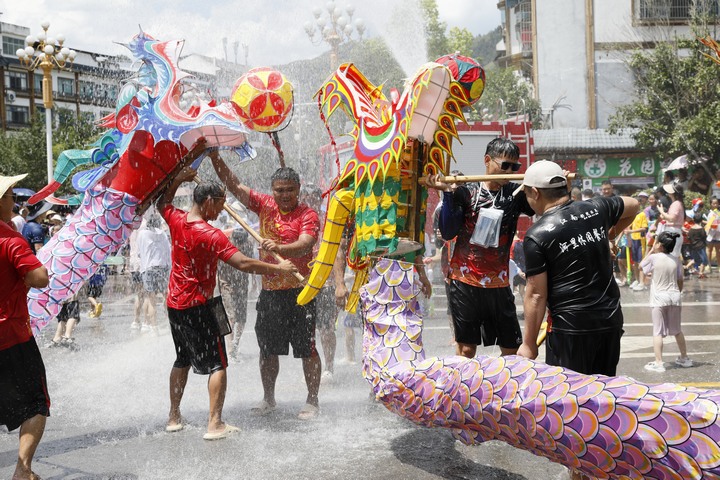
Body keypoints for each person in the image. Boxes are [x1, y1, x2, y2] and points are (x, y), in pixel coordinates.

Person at [157, 166, 297, 439]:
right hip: (200, 305)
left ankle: (173, 416)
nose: (221, 211)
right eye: (219, 205)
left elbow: (162, 202)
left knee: (182, 359)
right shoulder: (210, 234)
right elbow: (243, 263)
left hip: (175, 303)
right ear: (208, 201)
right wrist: (281, 269)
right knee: (218, 364)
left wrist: (177, 179)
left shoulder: (176, 219)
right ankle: (215, 424)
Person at [210, 152, 323, 420]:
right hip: (271, 293)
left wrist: (279, 247)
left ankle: (312, 400)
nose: (285, 195)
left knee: (307, 349)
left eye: (290, 190)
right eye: (279, 190)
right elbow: (234, 185)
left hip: (301, 292)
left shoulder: (307, 214)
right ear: (272, 191)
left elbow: (306, 243)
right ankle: (268, 398)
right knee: (267, 350)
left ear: (299, 189)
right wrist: (215, 158)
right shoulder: (265, 205)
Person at [517, 160, 639, 375]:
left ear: (535, 193)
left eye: (526, 194)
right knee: (603, 393)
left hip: (570, 330)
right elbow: (634, 205)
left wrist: (529, 344)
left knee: (571, 399)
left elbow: (536, 294)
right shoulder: (597, 208)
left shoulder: (537, 235)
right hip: (609, 322)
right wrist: (609, 236)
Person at [425, 138, 535, 359]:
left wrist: (554, 184)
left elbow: (542, 205)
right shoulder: (466, 192)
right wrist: (446, 193)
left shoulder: (516, 194)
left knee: (512, 350)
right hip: (465, 282)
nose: (510, 171)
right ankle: (465, 392)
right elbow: (447, 233)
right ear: (487, 160)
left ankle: (505, 391)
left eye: (515, 167)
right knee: (466, 350)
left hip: (499, 283)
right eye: (505, 165)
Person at [0, 173, 51, 480]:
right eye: (10, 197)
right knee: (36, 403)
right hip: (12, 336)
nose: (14, 202)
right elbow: (39, 278)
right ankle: (22, 470)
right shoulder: (10, 239)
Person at [640, 232, 692, 373]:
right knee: (677, 330)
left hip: (659, 299)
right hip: (674, 297)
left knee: (658, 331)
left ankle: (659, 363)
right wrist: (677, 292)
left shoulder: (654, 257)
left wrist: (650, 250)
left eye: (656, 242)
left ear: (660, 245)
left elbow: (641, 267)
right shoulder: (676, 260)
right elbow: (680, 280)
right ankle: (685, 358)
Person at [217, 220, 253, 360]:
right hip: (226, 285)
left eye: (243, 243)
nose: (241, 246)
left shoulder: (248, 245)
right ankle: (230, 348)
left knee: (241, 318)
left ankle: (236, 342)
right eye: (239, 243)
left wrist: (255, 283)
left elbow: (250, 264)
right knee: (230, 316)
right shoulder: (225, 246)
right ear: (234, 240)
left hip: (242, 285)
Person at [136, 212, 172, 334]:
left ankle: (154, 327)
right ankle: (170, 322)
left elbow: (139, 253)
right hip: (163, 267)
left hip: (148, 268)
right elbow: (168, 251)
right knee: (166, 296)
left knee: (151, 299)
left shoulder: (142, 234)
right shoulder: (163, 234)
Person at [657, 182, 685, 257]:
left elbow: (672, 218)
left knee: (671, 256)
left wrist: (661, 211)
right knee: (673, 257)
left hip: (672, 231)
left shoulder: (676, 204)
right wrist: (664, 215)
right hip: (675, 231)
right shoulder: (678, 203)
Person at [687, 214, 709, 278]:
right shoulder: (701, 229)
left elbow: (689, 237)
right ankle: (701, 273)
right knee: (704, 260)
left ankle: (686, 267)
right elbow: (704, 237)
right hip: (701, 246)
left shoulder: (691, 229)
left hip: (693, 247)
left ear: (693, 220)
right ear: (701, 220)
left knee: (696, 260)